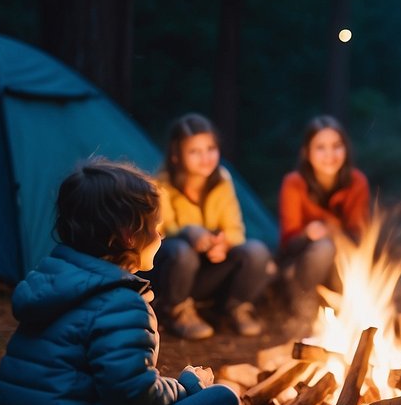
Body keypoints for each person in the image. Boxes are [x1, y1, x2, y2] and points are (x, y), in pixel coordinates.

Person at [0, 160, 240, 405]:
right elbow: (133, 398)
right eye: (158, 228)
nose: (163, 237)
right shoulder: (118, 302)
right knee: (222, 401)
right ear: (129, 236)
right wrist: (186, 386)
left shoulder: (57, 284)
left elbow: (112, 388)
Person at [148, 113, 273, 339]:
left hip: (208, 273)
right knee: (181, 251)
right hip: (175, 273)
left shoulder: (222, 180)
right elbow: (159, 237)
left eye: (210, 148)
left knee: (256, 251)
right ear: (176, 156)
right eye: (195, 151)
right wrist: (188, 233)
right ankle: (175, 311)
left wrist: (224, 244)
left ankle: (235, 308)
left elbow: (235, 230)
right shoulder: (161, 185)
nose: (205, 157)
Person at [278, 115, 371, 331]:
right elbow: (287, 243)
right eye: (321, 147)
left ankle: (348, 314)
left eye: (336, 146)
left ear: (346, 149)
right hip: (301, 264)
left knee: (341, 250)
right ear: (307, 152)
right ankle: (303, 311)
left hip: (343, 260)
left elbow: (359, 235)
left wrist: (332, 229)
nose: (330, 155)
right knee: (323, 248)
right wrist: (307, 234)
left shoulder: (357, 182)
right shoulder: (294, 183)